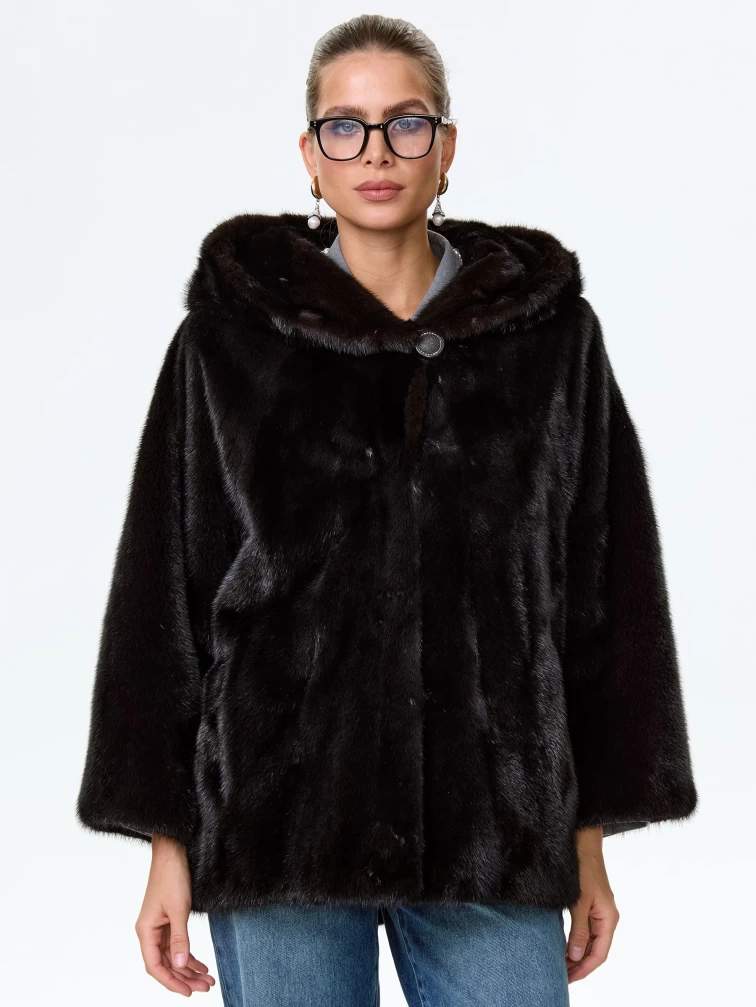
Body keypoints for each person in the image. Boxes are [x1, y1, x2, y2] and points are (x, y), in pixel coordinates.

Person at [75, 14, 698, 1006]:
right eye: (346, 126)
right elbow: (165, 598)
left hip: (495, 824)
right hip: (279, 822)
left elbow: (606, 590)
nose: (375, 152)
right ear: (310, 155)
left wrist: (586, 837)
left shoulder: (549, 342)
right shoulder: (226, 347)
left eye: (406, 124)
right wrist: (168, 842)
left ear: (445, 147)